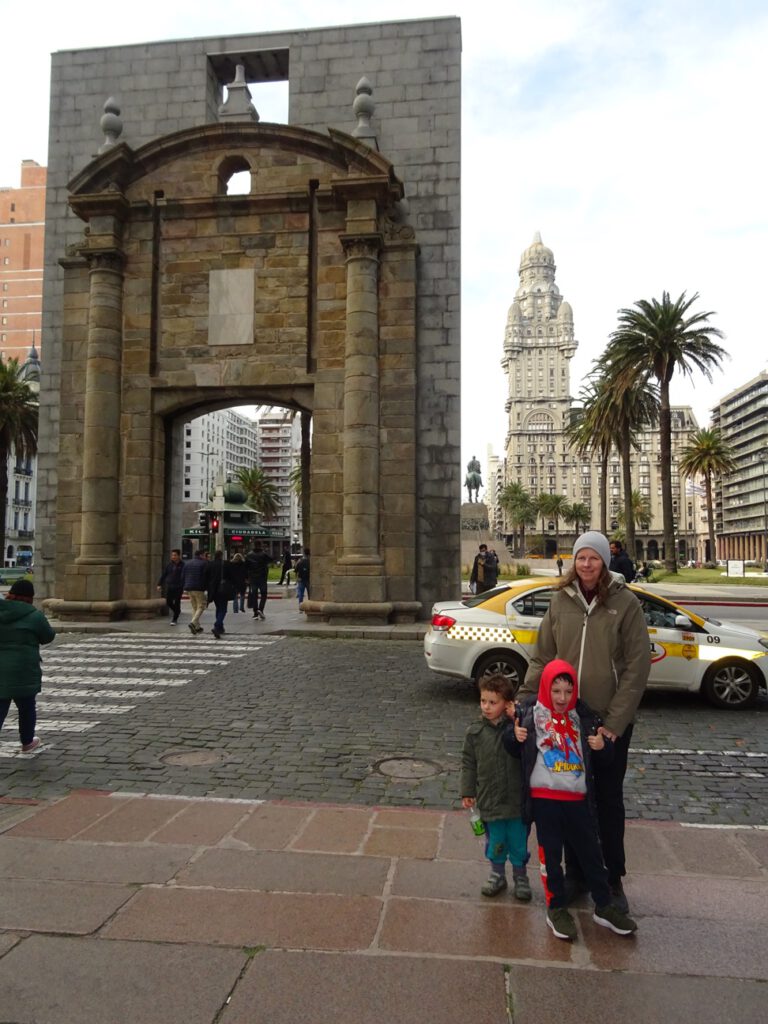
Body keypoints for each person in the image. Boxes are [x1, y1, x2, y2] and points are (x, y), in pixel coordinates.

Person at [518, 530, 650, 914]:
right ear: (573, 562)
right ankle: (575, 873)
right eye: (581, 558)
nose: (587, 564)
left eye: (594, 558)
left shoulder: (625, 604)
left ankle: (612, 877)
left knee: (607, 801)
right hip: (566, 720)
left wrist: (614, 724)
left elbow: (636, 669)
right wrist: (527, 701)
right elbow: (543, 656)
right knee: (571, 799)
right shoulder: (561, 601)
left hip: (606, 722)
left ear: (605, 562)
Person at [505, 659, 637, 941]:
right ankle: (556, 908)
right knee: (550, 857)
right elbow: (511, 745)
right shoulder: (530, 712)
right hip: (545, 798)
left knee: (591, 854)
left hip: (577, 798)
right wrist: (514, 737)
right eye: (556, 691)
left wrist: (602, 748)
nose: (562, 698)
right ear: (545, 689)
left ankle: (604, 905)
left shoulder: (584, 716)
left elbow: (604, 759)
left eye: (567, 691)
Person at [460, 675, 531, 901]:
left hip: (516, 800)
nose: (487, 707)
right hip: (490, 798)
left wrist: (517, 717)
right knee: (496, 841)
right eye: (483, 701)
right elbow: (468, 763)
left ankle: (521, 876)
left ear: (507, 703)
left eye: (493, 702)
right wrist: (467, 791)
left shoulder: (517, 727)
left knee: (519, 842)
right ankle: (497, 874)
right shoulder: (475, 732)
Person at [0, 579, 56, 753]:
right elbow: (48, 636)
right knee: (26, 707)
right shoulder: (34, 616)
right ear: (30, 598)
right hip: (24, 669)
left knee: (0, 705)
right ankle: (27, 742)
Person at [181, 549, 210, 635]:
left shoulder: (187, 563)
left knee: (194, 607)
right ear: (201, 555)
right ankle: (193, 623)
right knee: (201, 606)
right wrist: (207, 587)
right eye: (204, 555)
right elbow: (206, 576)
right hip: (199, 588)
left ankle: (197, 627)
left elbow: (183, 575)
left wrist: (184, 585)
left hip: (189, 587)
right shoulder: (204, 563)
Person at [207, 550, 235, 638]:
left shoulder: (210, 564)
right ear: (221, 556)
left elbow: (206, 576)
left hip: (213, 590)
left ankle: (220, 627)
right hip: (223, 589)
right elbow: (231, 576)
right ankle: (217, 625)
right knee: (223, 609)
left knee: (218, 608)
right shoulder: (226, 564)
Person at [156, 548, 184, 625]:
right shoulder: (170, 565)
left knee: (177, 602)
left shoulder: (183, 565)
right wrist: (159, 584)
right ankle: (177, 611)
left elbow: (185, 576)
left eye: (175, 555)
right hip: (170, 586)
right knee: (168, 601)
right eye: (172, 555)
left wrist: (184, 585)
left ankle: (174, 619)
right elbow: (164, 575)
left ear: (179, 556)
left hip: (179, 586)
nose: (173, 557)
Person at [245, 542, 272, 621]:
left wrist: (247, 577)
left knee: (254, 595)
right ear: (260, 546)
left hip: (253, 578)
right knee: (264, 594)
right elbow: (271, 559)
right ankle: (261, 609)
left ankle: (255, 613)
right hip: (262, 577)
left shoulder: (249, 555)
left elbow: (246, 567)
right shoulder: (263, 554)